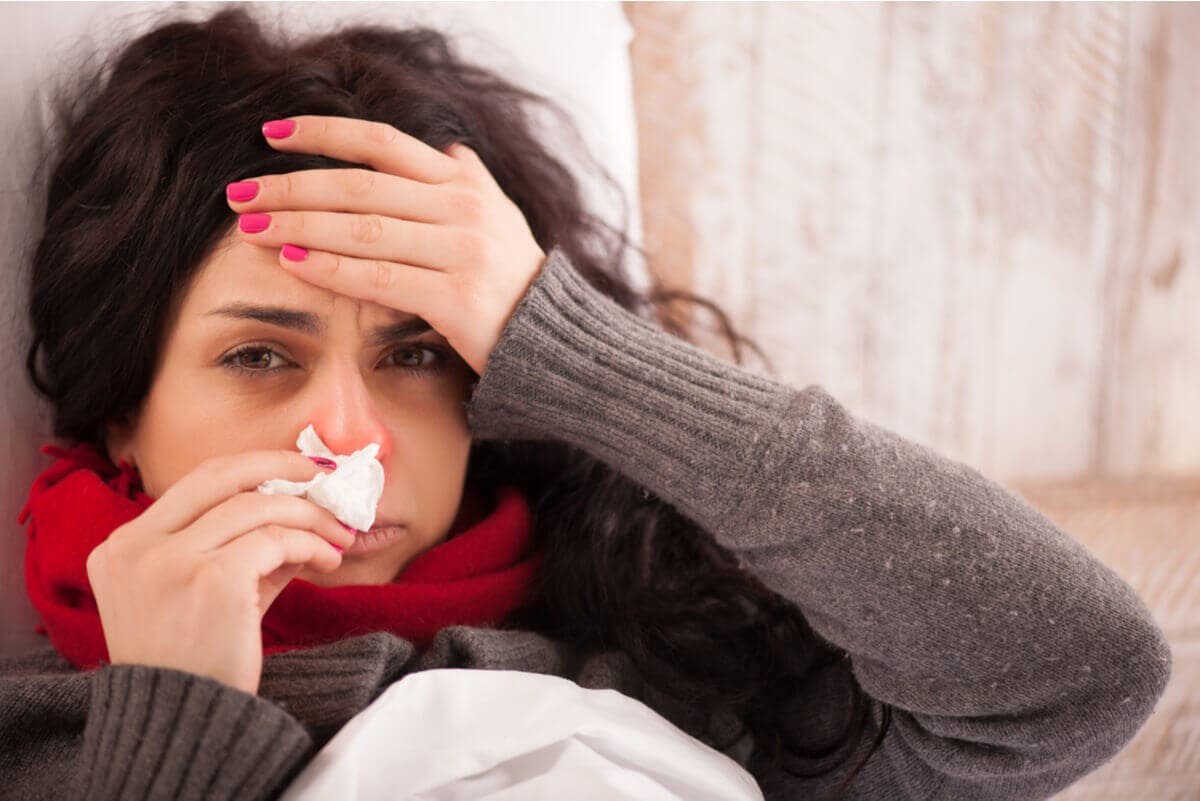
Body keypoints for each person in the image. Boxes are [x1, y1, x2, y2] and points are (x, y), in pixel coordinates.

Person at [0, 6, 1171, 801]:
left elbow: (1080, 674)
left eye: (420, 354)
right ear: (121, 412)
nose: (345, 440)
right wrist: (175, 718)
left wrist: (566, 343)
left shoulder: (687, 679)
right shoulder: (38, 748)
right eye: (259, 356)